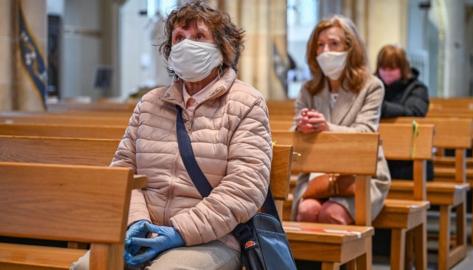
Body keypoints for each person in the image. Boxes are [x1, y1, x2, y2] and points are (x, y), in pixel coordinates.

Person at [71, 1, 272, 269]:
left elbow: (244, 188)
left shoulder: (246, 103)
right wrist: (137, 222)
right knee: (87, 268)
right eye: (179, 38)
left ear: (223, 48)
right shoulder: (150, 103)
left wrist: (180, 231)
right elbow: (123, 172)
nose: (188, 44)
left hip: (211, 238)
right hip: (144, 231)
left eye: (199, 37)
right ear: (170, 51)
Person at [291, 15, 391, 226]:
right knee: (307, 210)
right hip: (316, 177)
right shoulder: (309, 89)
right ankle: (306, 260)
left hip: (361, 178)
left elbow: (366, 133)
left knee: (332, 213)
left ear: (350, 47)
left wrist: (327, 128)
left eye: (333, 44)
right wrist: (301, 128)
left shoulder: (371, 86)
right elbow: (295, 138)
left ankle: (347, 260)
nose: (325, 51)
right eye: (320, 45)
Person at [375, 44, 432, 181]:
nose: (387, 73)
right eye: (383, 68)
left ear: (403, 68)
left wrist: (381, 107)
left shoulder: (417, 88)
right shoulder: (373, 86)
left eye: (392, 68)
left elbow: (414, 112)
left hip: (408, 163)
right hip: (378, 158)